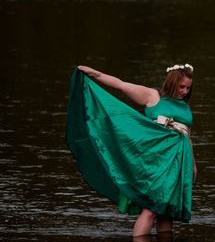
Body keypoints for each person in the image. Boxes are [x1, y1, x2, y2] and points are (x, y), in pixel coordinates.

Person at [67, 64, 197, 237]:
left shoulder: (186, 108)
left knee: (167, 211)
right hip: (156, 161)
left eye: (188, 88)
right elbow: (121, 84)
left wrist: (193, 165)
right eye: (182, 87)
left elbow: (187, 137)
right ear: (172, 82)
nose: (185, 91)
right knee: (151, 208)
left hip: (178, 163)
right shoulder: (153, 96)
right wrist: (93, 73)